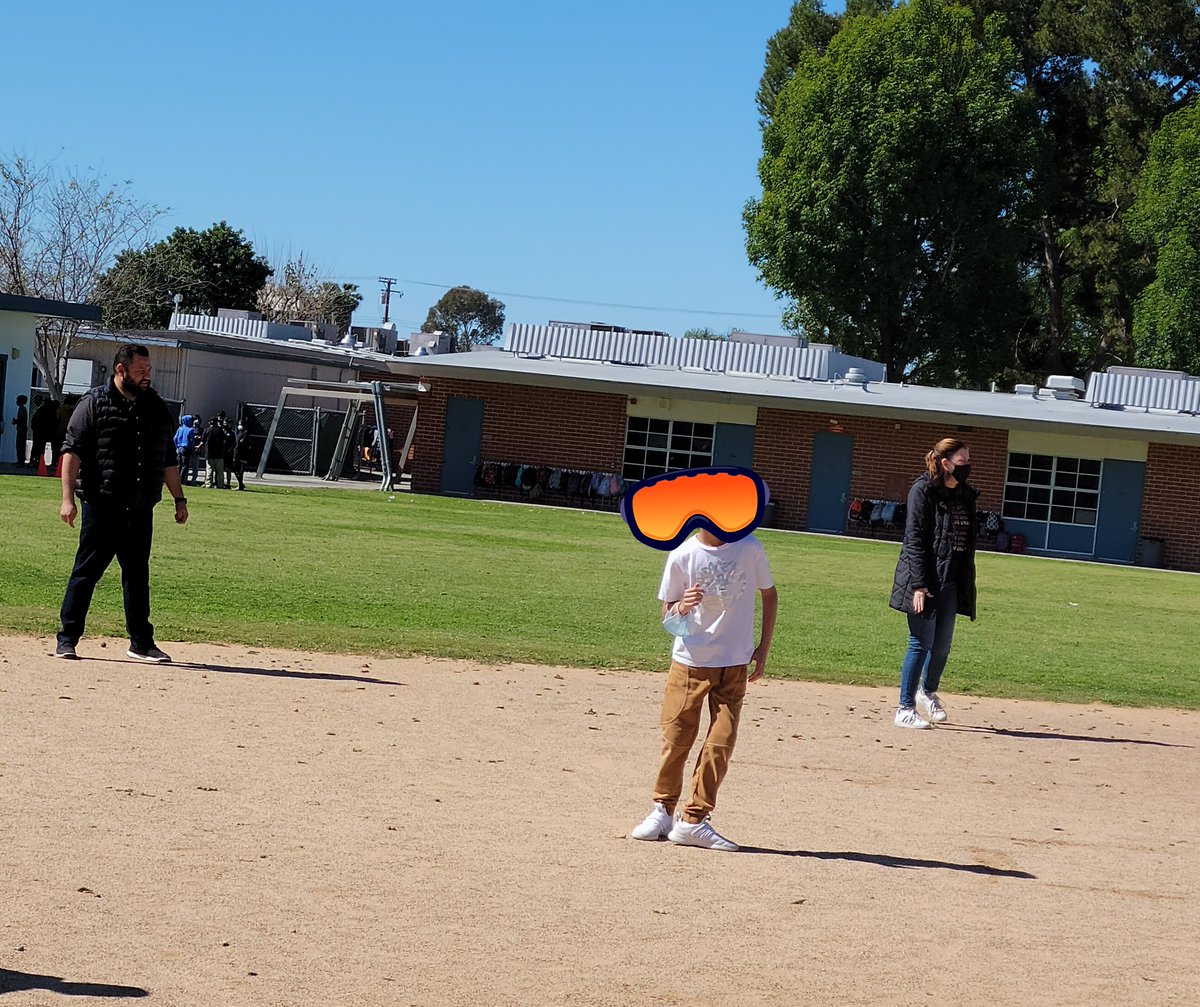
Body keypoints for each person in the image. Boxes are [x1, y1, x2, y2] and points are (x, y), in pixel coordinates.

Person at [628, 527, 778, 852]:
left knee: (721, 741)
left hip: (734, 662)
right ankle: (662, 811)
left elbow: (769, 593)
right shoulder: (682, 554)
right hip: (690, 661)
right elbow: (668, 619)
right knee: (676, 737)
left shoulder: (749, 547)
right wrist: (682, 606)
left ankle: (694, 819)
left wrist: (763, 649)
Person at [55, 343, 188, 663]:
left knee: (136, 575)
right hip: (102, 503)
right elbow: (72, 452)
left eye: (149, 370)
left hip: (141, 505)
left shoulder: (155, 406)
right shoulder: (94, 403)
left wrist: (179, 499)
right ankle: (67, 638)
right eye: (141, 371)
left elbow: (167, 458)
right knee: (86, 571)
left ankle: (141, 643)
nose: (147, 376)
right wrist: (67, 499)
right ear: (121, 370)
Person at [888, 437, 978, 729]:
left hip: (951, 580)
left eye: (968, 460)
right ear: (945, 463)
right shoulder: (923, 490)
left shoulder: (964, 494)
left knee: (942, 646)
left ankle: (927, 693)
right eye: (962, 461)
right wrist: (919, 585)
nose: (967, 466)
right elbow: (914, 539)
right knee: (920, 643)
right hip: (924, 581)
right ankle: (904, 708)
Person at [29, 396, 59, 472]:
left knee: (38, 447)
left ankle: (36, 461)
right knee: (53, 449)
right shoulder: (53, 411)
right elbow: (55, 422)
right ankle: (51, 462)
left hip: (40, 432)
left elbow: (35, 420)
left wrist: (35, 428)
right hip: (49, 432)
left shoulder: (41, 410)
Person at [202, 416, 226, 489]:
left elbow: (203, 441)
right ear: (217, 422)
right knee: (219, 471)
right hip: (219, 454)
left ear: (210, 423)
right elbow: (224, 442)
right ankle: (220, 485)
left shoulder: (206, 430)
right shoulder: (220, 431)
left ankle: (208, 484)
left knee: (209, 469)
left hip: (209, 454)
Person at [231, 417, 252, 490]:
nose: (239, 426)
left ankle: (240, 485)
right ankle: (241, 484)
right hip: (236, 453)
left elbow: (241, 443)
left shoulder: (246, 434)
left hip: (241, 455)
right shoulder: (240, 433)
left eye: (241, 424)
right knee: (234, 468)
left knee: (239, 470)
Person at [174, 414, 196, 480]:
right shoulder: (190, 430)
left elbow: (175, 438)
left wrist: (176, 446)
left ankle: (176, 478)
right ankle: (181, 479)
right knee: (185, 465)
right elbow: (192, 441)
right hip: (186, 448)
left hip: (179, 448)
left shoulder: (180, 429)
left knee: (179, 464)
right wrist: (192, 450)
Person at [11, 394, 28, 465]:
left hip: (21, 429)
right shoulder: (23, 409)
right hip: (22, 429)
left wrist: (16, 421)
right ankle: (20, 460)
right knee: (20, 445)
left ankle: (20, 460)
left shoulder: (22, 409)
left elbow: (21, 419)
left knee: (20, 445)